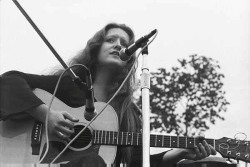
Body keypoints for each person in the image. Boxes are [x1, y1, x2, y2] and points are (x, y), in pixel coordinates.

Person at [0, 23, 216, 167]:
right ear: (96, 47)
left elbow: (136, 162)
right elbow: (8, 82)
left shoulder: (127, 112)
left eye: (124, 44)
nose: (119, 46)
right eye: (111, 40)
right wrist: (45, 115)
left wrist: (178, 154)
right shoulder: (67, 83)